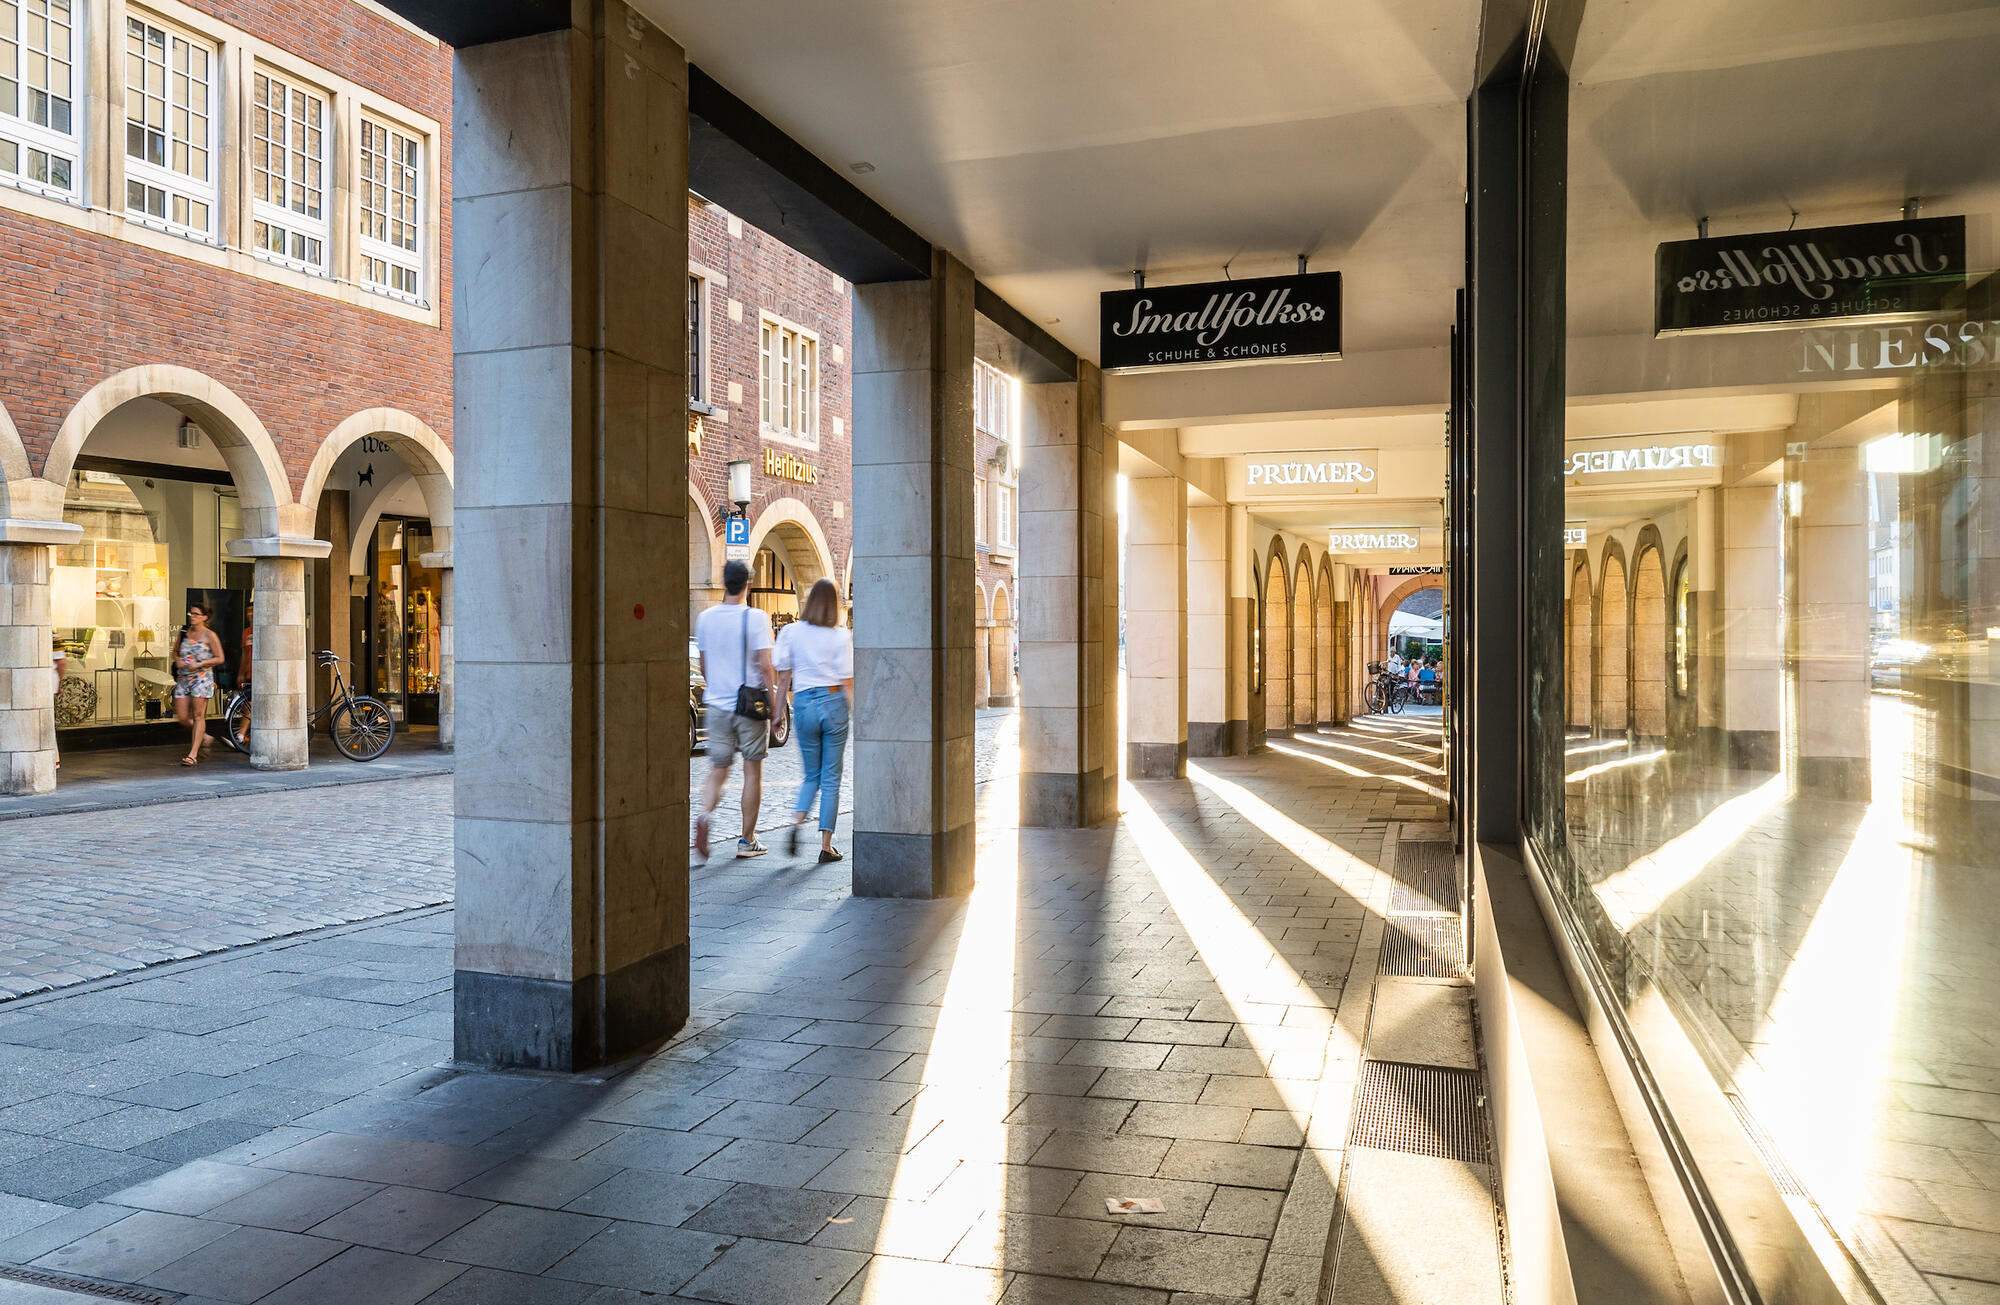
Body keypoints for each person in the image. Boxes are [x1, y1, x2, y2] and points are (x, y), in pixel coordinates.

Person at [694, 559, 784, 861]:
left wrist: (718, 687)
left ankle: (704, 815)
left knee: (718, 769)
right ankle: (746, 841)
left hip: (717, 705)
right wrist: (775, 709)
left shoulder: (705, 619)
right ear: (748, 584)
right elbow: (765, 666)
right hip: (748, 706)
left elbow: (705, 666)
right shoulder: (756, 618)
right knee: (752, 771)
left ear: (724, 583)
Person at [773, 578, 854, 863]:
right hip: (833, 703)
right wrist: (857, 713)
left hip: (804, 703)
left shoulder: (791, 632)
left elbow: (783, 677)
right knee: (831, 777)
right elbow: (847, 680)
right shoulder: (840, 636)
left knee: (811, 775)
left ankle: (796, 823)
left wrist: (776, 713)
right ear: (834, 605)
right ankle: (826, 845)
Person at [172, 601, 225, 766]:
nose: (192, 617)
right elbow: (175, 652)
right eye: (191, 613)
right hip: (183, 678)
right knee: (182, 717)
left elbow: (219, 658)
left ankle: (192, 755)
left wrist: (200, 663)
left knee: (198, 716)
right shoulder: (183, 631)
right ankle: (206, 737)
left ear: (204, 617)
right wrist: (178, 660)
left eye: (196, 614)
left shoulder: (210, 635)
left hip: (201, 678)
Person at [51, 634, 66, 771]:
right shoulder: (53, 635)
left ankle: (52, 759)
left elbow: (60, 662)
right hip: (50, 682)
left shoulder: (53, 636)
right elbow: (61, 662)